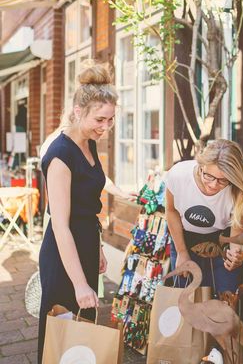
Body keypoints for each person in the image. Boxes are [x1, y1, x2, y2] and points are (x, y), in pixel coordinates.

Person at [37, 62, 123, 362]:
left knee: (82, 334)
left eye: (111, 121)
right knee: (60, 341)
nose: (105, 127)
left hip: (84, 245)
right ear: (77, 111)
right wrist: (79, 283)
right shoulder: (60, 155)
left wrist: (97, 246)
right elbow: (61, 225)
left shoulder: (88, 143)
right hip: (63, 257)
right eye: (100, 119)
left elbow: (87, 206)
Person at [165, 139, 243, 294]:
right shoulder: (179, 175)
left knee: (225, 300)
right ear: (200, 166)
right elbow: (171, 211)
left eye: (223, 180)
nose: (213, 185)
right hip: (185, 240)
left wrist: (236, 253)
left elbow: (236, 236)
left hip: (222, 243)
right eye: (208, 176)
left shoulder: (239, 190)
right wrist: (182, 252)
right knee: (186, 301)